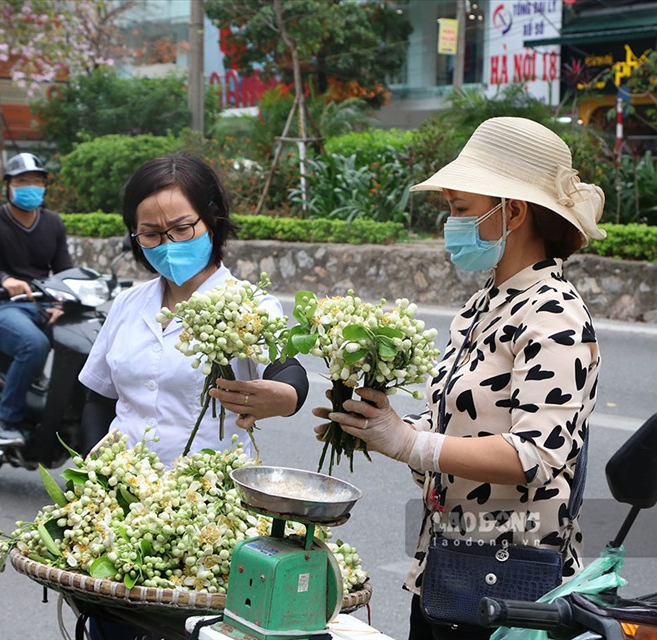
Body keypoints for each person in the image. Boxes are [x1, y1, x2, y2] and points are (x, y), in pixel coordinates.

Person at [313, 117, 605, 640]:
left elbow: (535, 456)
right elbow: (452, 422)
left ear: (512, 212)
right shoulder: (481, 304)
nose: (450, 224)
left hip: (509, 586)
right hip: (447, 571)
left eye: (460, 209)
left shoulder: (555, 313)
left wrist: (413, 444)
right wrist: (379, 425)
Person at [77, 153, 309, 638]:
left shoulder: (248, 305)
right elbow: (97, 397)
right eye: (151, 234)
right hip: (122, 508)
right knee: (113, 625)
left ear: (212, 221)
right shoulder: (128, 304)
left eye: (182, 228)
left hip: (205, 514)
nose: (168, 244)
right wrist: (92, 479)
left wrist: (282, 395)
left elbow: (288, 370)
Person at [0, 152, 73, 447]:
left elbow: (65, 270)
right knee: (33, 344)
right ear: (8, 185)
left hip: (42, 305)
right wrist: (5, 280)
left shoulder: (52, 223)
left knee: (87, 339)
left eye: (37, 181)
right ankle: (5, 420)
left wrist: (62, 303)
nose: (31, 186)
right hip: (0, 308)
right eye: (23, 180)